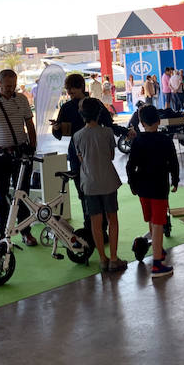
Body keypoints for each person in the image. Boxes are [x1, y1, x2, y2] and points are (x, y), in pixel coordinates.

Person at [52, 74, 129, 236]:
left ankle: (101, 230)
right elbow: (59, 133)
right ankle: (91, 231)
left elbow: (109, 125)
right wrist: (57, 128)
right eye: (68, 90)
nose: (69, 93)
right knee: (83, 194)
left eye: (71, 89)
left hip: (96, 154)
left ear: (80, 87)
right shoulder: (66, 107)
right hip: (77, 155)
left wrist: (126, 132)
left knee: (101, 192)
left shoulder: (95, 104)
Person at [0, 69, 39, 246]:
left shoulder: (22, 99)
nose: (11, 89)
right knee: (1, 195)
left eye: (13, 85)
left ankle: (25, 231)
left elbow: (29, 124)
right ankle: (3, 233)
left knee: (23, 194)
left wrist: (32, 146)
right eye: (7, 86)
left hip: (21, 154)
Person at [73, 98, 126, 272]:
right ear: (98, 113)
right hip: (108, 181)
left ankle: (102, 259)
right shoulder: (108, 132)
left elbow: (81, 159)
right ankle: (113, 258)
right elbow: (111, 156)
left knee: (95, 222)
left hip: (89, 183)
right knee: (113, 220)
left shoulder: (77, 136)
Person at [127, 104, 179, 278]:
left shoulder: (137, 141)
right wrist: (175, 180)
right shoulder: (165, 140)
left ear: (141, 123)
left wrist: (132, 184)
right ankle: (157, 263)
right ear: (158, 121)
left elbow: (130, 166)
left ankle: (158, 249)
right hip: (159, 188)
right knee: (158, 225)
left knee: (152, 221)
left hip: (142, 188)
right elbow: (173, 163)